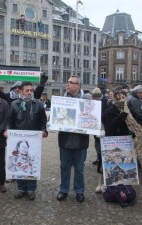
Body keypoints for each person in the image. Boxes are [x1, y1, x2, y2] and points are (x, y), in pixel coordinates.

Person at [4, 81, 48, 200]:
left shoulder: (38, 104)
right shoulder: (14, 104)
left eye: (31, 90)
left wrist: (44, 130)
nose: (29, 93)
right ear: (21, 91)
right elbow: (9, 120)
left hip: (33, 140)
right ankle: (21, 188)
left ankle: (31, 189)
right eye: (27, 90)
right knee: (20, 162)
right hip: (19, 139)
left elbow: (43, 120)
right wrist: (7, 130)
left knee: (31, 162)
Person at [57, 75, 91, 203]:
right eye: (67, 81)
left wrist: (99, 128)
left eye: (70, 82)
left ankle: (79, 191)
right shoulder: (61, 100)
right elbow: (56, 117)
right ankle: (63, 190)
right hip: (65, 140)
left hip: (81, 141)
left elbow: (94, 117)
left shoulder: (87, 100)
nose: (67, 84)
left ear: (78, 86)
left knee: (79, 168)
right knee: (64, 167)